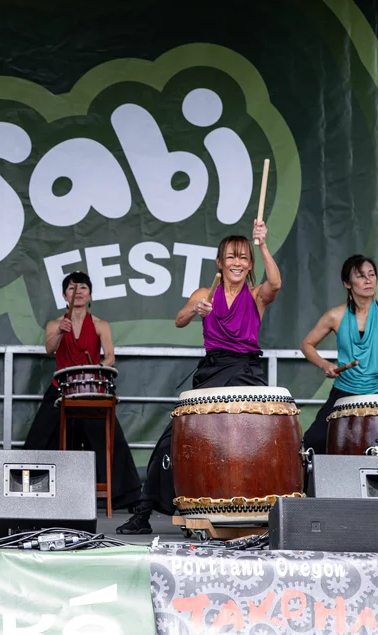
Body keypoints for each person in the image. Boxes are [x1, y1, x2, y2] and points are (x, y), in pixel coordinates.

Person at [117, 219, 281, 534]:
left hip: (246, 372)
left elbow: (276, 282)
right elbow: (180, 320)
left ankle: (263, 509)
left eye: (244, 257)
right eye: (231, 257)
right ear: (220, 263)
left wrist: (262, 243)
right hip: (211, 372)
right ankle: (144, 513)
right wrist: (197, 309)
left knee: (258, 440)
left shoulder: (257, 294)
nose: (237, 262)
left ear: (249, 265)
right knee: (171, 441)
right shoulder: (204, 293)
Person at [23, 271, 142, 510]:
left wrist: (96, 369)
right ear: (64, 295)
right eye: (71, 289)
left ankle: (126, 496)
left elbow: (110, 358)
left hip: (90, 388)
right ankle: (26, 490)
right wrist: (59, 332)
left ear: (89, 294)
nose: (77, 293)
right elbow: (49, 349)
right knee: (39, 438)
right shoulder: (55, 324)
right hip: (61, 388)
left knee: (110, 438)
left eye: (83, 288)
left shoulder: (100, 324)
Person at [300, 254, 378, 454]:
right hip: (344, 391)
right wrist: (325, 365)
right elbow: (307, 344)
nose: (368, 280)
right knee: (314, 441)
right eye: (361, 276)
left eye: (372, 275)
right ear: (347, 284)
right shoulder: (335, 315)